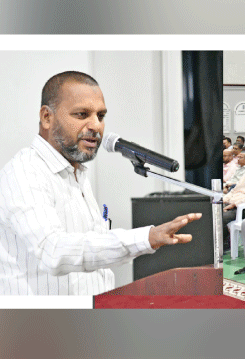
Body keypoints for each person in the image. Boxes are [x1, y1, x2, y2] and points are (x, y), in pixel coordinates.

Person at [0, 71, 201, 295]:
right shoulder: (25, 172)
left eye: (101, 115)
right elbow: (53, 251)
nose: (96, 125)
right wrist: (146, 237)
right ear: (47, 117)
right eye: (82, 114)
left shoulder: (76, 173)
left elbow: (94, 246)